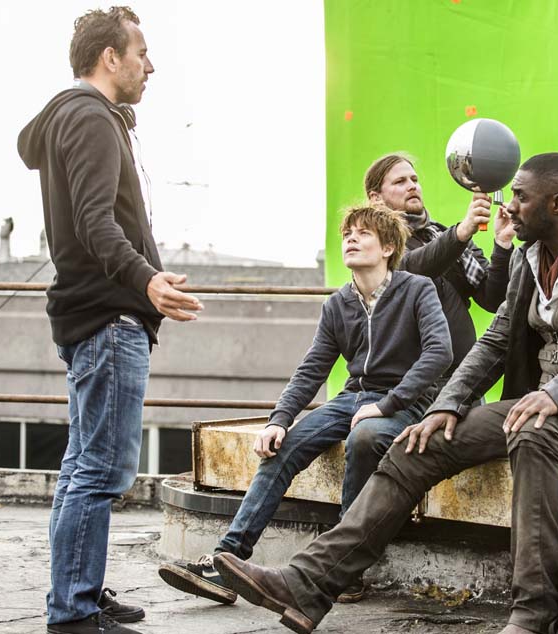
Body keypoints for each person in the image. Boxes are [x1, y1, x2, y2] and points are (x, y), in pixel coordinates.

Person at [209, 153, 558, 634]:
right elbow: (496, 341)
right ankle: (307, 584)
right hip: (535, 402)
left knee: (533, 432)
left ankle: (533, 612)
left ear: (557, 203)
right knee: (415, 444)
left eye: (521, 197)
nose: (508, 206)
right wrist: (445, 406)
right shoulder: (528, 257)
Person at [158, 205, 453, 606]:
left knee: (365, 438)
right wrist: (278, 420)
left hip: (405, 402)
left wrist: (388, 404)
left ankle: (343, 569)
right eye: (347, 233)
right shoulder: (337, 304)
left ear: (387, 247)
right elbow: (312, 368)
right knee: (283, 446)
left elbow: (439, 352)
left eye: (363, 233)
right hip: (352, 399)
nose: (351, 238)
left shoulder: (417, 289)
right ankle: (226, 561)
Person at [18, 7, 203, 634]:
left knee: (82, 465)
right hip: (107, 317)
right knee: (100, 470)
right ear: (110, 57)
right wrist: (146, 280)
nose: (151, 66)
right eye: (141, 53)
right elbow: (96, 224)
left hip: (90, 315)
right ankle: (73, 610)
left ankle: (80, 593)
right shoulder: (92, 118)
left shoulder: (70, 118)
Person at [365, 153, 515, 376]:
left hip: (460, 376)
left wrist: (502, 243)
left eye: (414, 179)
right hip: (410, 379)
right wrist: (462, 232)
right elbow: (410, 269)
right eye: (400, 182)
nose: (412, 186)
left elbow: (493, 299)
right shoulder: (373, 242)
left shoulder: (443, 236)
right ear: (376, 198)